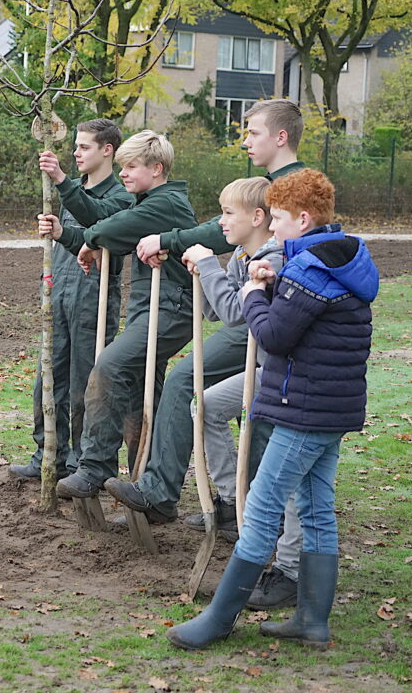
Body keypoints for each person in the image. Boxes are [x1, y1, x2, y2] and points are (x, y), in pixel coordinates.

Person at [167, 169, 378, 650]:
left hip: (304, 407)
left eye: (279, 219)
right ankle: (311, 620)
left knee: (261, 509)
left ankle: (218, 620)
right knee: (316, 509)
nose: (275, 229)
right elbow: (307, 315)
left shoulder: (309, 271)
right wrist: (274, 279)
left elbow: (275, 334)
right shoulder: (336, 259)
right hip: (331, 407)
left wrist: (253, 293)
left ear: (302, 219)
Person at [123, 99, 308, 606]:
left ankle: (242, 516)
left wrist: (185, 243)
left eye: (252, 132)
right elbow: (229, 237)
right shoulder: (264, 187)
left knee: (229, 409)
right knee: (207, 400)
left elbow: (244, 251)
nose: (245, 141)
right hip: (258, 308)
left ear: (281, 138)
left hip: (272, 323)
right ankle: (232, 504)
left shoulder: (286, 185)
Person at [104, 177, 283, 536]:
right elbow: (215, 311)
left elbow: (235, 312)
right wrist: (200, 273)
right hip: (257, 357)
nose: (221, 222)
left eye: (229, 213)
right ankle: (234, 500)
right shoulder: (242, 254)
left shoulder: (273, 256)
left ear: (258, 217)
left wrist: (210, 266)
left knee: (207, 403)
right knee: (203, 406)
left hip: (276, 368)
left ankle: (241, 504)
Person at [50, 130, 197, 503]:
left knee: (110, 367)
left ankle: (95, 466)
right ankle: (150, 488)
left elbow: (112, 227)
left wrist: (90, 240)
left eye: (131, 167)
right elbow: (109, 221)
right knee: (144, 395)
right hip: (148, 310)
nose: (125, 174)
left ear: (157, 169)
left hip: (170, 310)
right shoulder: (146, 201)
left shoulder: (166, 203)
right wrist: (85, 239)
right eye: (123, 167)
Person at [11, 120, 133, 482]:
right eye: (75, 147)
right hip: (59, 291)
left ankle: (84, 462)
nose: (76, 153)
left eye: (84, 147)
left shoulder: (120, 196)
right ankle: (48, 454)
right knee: (47, 382)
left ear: (107, 150)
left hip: (91, 297)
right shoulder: (73, 189)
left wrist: (62, 200)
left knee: (84, 387)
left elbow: (95, 223)